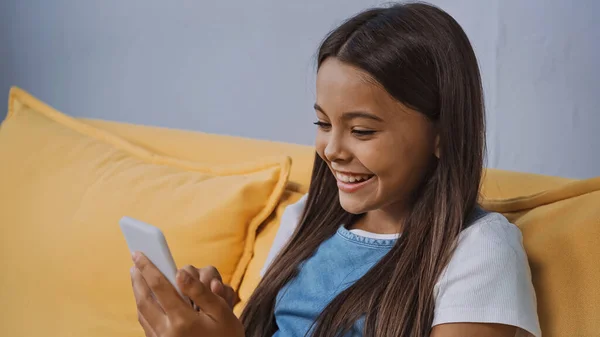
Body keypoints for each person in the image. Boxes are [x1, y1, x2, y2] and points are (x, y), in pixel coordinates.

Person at [129, 2, 541, 336]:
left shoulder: (478, 250)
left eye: (361, 130)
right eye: (323, 124)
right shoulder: (306, 220)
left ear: (443, 135)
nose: (331, 149)